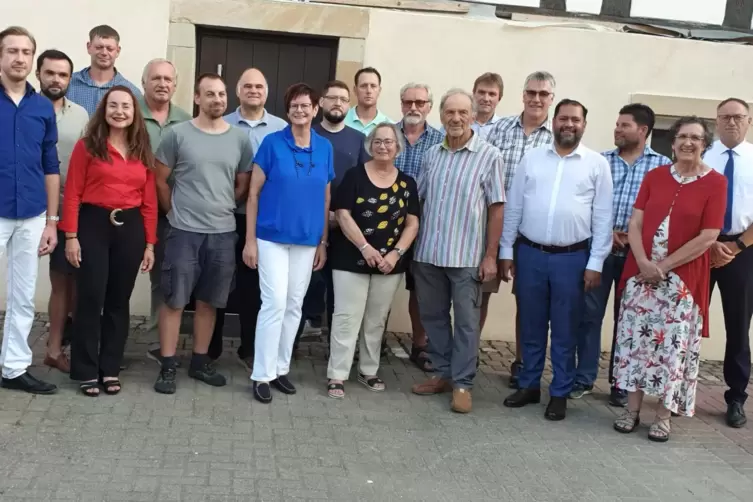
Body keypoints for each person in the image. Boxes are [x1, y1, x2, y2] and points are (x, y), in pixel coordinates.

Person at [612, 116, 726, 442]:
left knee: (670, 350)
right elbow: (635, 223)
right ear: (673, 141)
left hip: (681, 281)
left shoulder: (715, 183)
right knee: (634, 344)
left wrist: (664, 266)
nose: (688, 143)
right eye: (682, 137)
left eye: (695, 138)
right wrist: (644, 262)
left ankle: (663, 415)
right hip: (641, 277)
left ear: (705, 144)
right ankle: (631, 410)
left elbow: (709, 236)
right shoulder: (655, 176)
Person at [501, 99, 612, 421]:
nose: (569, 124)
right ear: (554, 121)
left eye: (575, 120)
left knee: (565, 330)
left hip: (572, 259)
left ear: (584, 125)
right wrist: (507, 251)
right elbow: (514, 208)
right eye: (563, 118)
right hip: (531, 254)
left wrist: (596, 262)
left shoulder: (595, 164)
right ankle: (529, 385)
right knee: (531, 324)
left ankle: (560, 391)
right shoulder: (532, 159)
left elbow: (603, 217)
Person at [152, 73, 253, 395]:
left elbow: (242, 184)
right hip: (183, 232)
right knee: (174, 299)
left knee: (210, 301)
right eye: (210, 94)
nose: (217, 100)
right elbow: (159, 180)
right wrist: (175, 213)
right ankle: (168, 365)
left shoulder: (239, 139)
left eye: (222, 94)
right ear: (197, 98)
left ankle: (199, 362)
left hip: (222, 234)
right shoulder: (177, 135)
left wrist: (220, 206)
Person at [410, 89, 505, 414]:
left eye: (463, 112)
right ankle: (441, 372)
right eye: (450, 112)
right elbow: (418, 200)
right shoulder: (431, 155)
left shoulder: (489, 155)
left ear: (473, 115)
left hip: (467, 257)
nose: (456, 118)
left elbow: (496, 209)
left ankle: (462, 383)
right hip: (429, 253)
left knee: (466, 323)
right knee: (433, 317)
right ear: (441, 115)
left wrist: (490, 255)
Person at [61, 86, 157, 396]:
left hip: (130, 227)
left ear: (134, 113)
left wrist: (150, 243)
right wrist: (71, 236)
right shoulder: (87, 146)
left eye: (126, 106)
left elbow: (150, 201)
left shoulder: (142, 150)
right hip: (92, 224)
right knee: (90, 298)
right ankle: (86, 370)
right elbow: (73, 192)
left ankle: (110, 369)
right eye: (113, 105)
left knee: (118, 301)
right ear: (104, 110)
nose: (119, 111)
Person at [571, 104, 670, 406]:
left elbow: (664, 211)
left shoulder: (662, 166)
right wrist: (606, 232)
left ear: (643, 130)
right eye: (616, 124)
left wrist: (634, 237)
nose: (617, 130)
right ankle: (584, 377)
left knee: (627, 320)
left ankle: (620, 383)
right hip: (600, 250)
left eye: (624, 125)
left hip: (637, 256)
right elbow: (584, 202)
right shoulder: (601, 161)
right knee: (589, 316)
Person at [243, 83, 334, 404]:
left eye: (305, 105)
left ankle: (281, 368)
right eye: (294, 105)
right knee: (274, 303)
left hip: (308, 240)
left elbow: (325, 195)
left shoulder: (324, 148)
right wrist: (250, 240)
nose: (300, 110)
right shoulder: (271, 143)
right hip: (270, 237)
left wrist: (323, 241)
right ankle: (261, 373)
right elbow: (252, 194)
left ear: (315, 109)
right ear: (288, 110)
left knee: (295, 304)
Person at [326, 123, 419, 399]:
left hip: (389, 265)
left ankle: (368, 370)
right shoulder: (354, 176)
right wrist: (365, 247)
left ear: (398, 148)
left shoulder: (407, 183)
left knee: (376, 320)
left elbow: (412, 223)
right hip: (349, 259)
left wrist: (396, 254)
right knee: (346, 318)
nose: (383, 146)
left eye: (389, 142)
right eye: (378, 141)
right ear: (370, 146)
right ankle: (337, 374)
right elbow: (342, 215)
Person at [208, 68, 287, 369]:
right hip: (224, 217)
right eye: (247, 86)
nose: (254, 90)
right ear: (238, 91)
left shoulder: (281, 129)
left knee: (254, 288)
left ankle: (250, 350)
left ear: (266, 92)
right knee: (216, 283)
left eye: (259, 86)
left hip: (264, 221)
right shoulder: (221, 124)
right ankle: (210, 349)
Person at [0, 26, 60, 395]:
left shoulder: (41, 107)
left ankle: (14, 368)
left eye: (25, 52)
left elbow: (50, 166)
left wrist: (52, 221)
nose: (19, 58)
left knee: (23, 295)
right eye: (11, 51)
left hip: (33, 214)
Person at [487, 71, 555, 388]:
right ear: (522, 95)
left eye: (543, 93)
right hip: (491, 225)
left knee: (527, 302)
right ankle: (466, 356)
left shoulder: (557, 139)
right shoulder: (498, 129)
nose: (536, 98)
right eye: (531, 92)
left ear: (551, 98)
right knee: (479, 294)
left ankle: (523, 362)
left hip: (531, 234)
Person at [297, 80, 369, 348]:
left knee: (339, 293)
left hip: (344, 227)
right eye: (332, 98)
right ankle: (292, 346)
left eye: (343, 99)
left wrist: (341, 216)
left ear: (349, 106)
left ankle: (335, 350)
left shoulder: (358, 140)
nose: (337, 103)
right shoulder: (308, 134)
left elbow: (362, 183)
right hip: (309, 224)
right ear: (321, 103)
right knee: (305, 287)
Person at [35, 49, 89, 373]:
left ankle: (56, 349)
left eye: (63, 74)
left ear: (70, 78)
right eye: (50, 73)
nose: (56, 79)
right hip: (27, 204)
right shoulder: (23, 109)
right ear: (38, 73)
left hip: (68, 206)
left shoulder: (81, 115)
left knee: (66, 283)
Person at [138, 58, 192, 367]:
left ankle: (161, 345)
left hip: (170, 212)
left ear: (175, 85)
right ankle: (109, 347)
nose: (162, 84)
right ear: (144, 82)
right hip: (130, 211)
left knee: (164, 279)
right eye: (155, 78)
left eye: (168, 79)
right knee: (117, 277)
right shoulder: (129, 114)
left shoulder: (186, 121)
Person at [706, 98, 753, 429]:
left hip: (743, 250)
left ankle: (736, 396)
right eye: (725, 117)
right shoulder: (703, 158)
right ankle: (677, 389)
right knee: (689, 321)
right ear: (716, 121)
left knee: (738, 326)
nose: (732, 122)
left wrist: (736, 245)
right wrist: (709, 245)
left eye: (738, 117)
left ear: (749, 121)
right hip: (701, 250)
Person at [394, 82, 443, 372]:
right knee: (380, 285)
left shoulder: (439, 141)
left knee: (421, 289)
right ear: (401, 104)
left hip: (423, 226)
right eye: (408, 101)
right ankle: (372, 342)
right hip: (384, 225)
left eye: (420, 102)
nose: (414, 107)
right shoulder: (387, 135)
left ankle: (420, 344)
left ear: (429, 107)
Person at [67, 25, 141, 116]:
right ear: (89, 47)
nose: (104, 53)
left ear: (118, 51)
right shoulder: (68, 84)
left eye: (110, 49)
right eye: (99, 47)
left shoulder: (131, 92)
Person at [344, 67, 391, 135]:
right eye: (363, 86)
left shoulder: (389, 126)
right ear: (355, 90)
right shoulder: (342, 120)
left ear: (379, 90)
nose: (369, 91)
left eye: (373, 86)